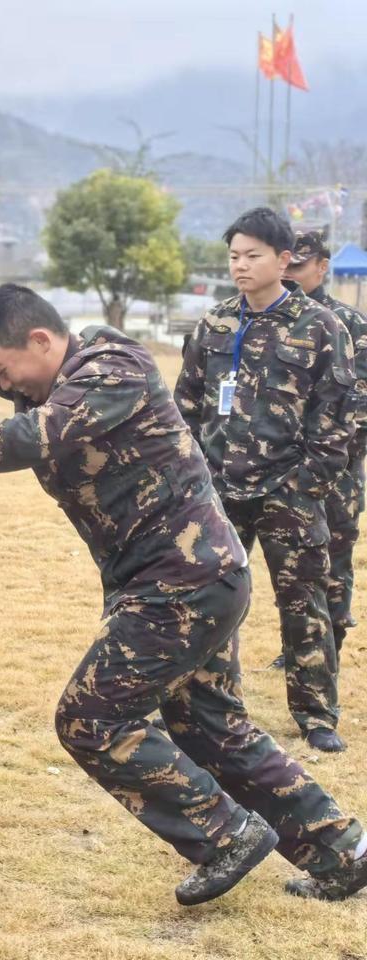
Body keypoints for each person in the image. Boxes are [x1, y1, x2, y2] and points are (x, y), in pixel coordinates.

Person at [0, 260, 367, 904]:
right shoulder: (43, 374)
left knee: (90, 719)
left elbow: (41, 433)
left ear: (40, 340)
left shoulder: (114, 369)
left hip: (181, 583)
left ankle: (225, 833)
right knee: (213, 729)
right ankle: (343, 850)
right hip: (188, 580)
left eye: (3, 370)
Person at [175, 208, 354, 753]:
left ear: (283, 260)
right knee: (205, 600)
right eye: (234, 256)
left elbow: (336, 420)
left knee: (304, 605)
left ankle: (316, 715)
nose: (241, 265)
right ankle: (198, 707)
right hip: (219, 492)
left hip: (287, 492)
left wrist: (304, 486)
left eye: (253, 255)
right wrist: (194, 478)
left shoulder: (321, 327)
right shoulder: (215, 325)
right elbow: (185, 406)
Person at [284, 228, 367, 657]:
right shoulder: (268, 320)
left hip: (336, 472)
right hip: (276, 469)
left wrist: (323, 453)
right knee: (291, 566)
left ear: (322, 267)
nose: (290, 273)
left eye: (299, 266)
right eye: (286, 264)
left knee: (332, 561)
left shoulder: (350, 325)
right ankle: (299, 646)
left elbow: (361, 403)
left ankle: (328, 646)